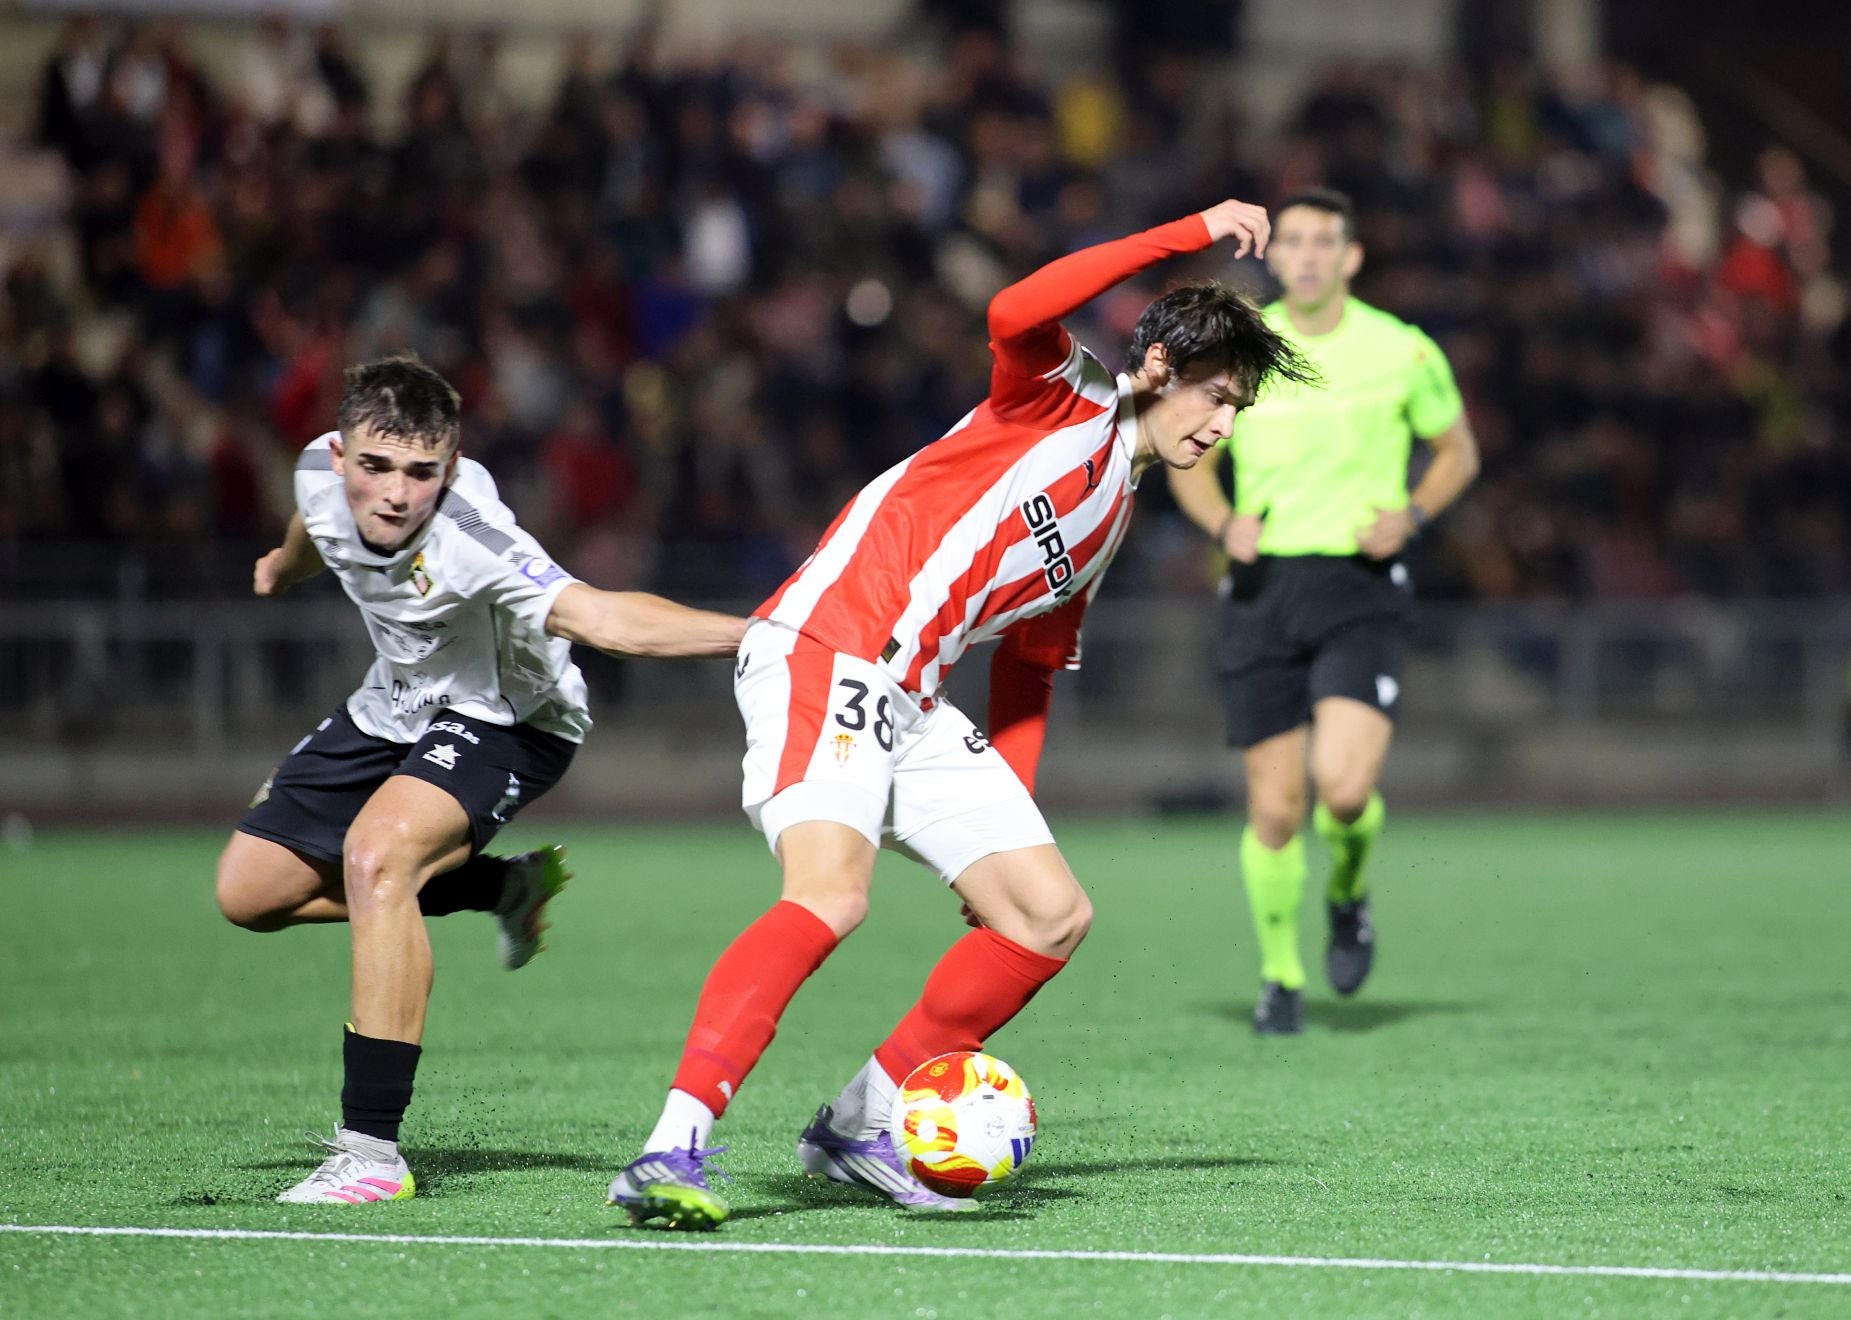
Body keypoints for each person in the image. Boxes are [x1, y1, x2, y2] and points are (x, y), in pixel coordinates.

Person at [608, 200, 1319, 1229]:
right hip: (833, 647)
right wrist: (1192, 228)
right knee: (830, 896)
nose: (1222, 425)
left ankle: (858, 1125)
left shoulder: (1112, 513)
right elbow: (1014, 306)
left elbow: (1030, 665)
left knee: (1046, 913)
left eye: (1238, 410)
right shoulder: (1062, 393)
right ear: (1160, 365)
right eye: (1215, 396)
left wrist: (990, 835)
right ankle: (669, 1147)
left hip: (915, 699)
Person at [216, 355, 745, 1204]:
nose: (397, 494)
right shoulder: (319, 473)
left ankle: (371, 1154)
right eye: (377, 467)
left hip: (509, 717)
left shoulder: (474, 537)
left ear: (451, 468)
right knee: (249, 892)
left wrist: (758, 636)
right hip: (393, 705)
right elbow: (314, 523)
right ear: (341, 455)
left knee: (377, 857)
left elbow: (603, 617)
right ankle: (502, 888)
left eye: (421, 473)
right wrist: (283, 565)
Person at [1167, 187, 1480, 1034]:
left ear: (1351, 257)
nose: (1306, 256)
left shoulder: (1402, 349)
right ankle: (1280, 977)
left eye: (1322, 242)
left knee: (1342, 790)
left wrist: (1411, 515)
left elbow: (1457, 451)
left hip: (1358, 585)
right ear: (1273, 256)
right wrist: (1221, 524)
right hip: (1263, 587)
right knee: (1275, 809)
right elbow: (1185, 456)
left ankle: (1347, 892)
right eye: (1293, 241)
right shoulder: (1240, 348)